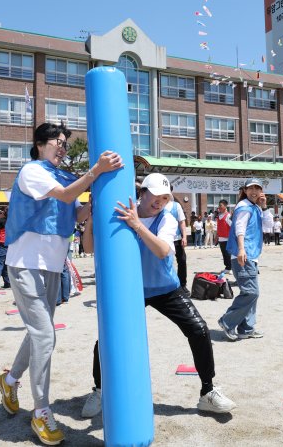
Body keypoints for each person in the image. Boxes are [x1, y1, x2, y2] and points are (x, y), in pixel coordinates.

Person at [0, 122, 122, 446]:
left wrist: (94, 205)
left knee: (40, 333)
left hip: (53, 267)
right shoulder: (32, 171)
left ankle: (10, 380)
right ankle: (41, 411)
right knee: (45, 335)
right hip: (25, 264)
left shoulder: (63, 176)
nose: (63, 148)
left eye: (65, 143)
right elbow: (65, 196)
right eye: (58, 142)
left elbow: (75, 213)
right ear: (40, 144)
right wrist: (96, 170)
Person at [80, 173, 236, 419]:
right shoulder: (123, 213)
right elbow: (89, 248)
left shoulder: (167, 218)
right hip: (129, 290)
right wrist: (92, 217)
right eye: (155, 196)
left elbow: (163, 250)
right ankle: (100, 391)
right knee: (107, 338)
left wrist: (137, 225)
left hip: (166, 288)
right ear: (142, 193)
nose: (160, 202)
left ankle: (208, 392)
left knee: (199, 330)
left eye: (165, 198)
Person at [218, 178, 266, 341]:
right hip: (244, 255)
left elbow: (267, 225)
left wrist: (264, 207)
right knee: (251, 292)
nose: (254, 191)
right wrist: (241, 249)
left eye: (257, 188)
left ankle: (246, 328)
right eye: (251, 188)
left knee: (251, 293)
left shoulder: (255, 207)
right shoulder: (244, 207)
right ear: (245, 190)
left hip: (251, 255)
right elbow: (239, 228)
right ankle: (227, 321)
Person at [165, 190, 189, 296]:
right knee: (166, 262)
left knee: (182, 260)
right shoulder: (159, 205)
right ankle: (168, 285)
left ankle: (182, 285)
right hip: (164, 239)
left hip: (177, 239)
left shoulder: (176, 206)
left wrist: (184, 237)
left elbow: (182, 222)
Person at [216, 200, 232, 272]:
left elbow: (232, 226)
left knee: (228, 254)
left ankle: (230, 268)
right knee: (224, 254)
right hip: (221, 238)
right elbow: (218, 227)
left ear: (225, 206)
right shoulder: (219, 216)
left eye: (221, 205)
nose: (219, 207)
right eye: (219, 205)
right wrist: (217, 236)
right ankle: (227, 267)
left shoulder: (228, 216)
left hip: (227, 239)